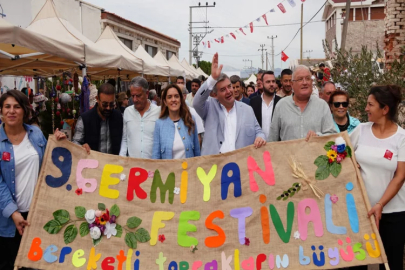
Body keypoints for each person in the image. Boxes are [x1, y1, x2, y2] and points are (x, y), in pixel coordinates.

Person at [0, 90, 66, 270]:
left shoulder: (35, 134)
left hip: (36, 213)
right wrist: (13, 213)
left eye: (16, 107)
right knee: (10, 263)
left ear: (24, 111)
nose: (11, 111)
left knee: (36, 263)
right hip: (8, 218)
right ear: (1, 111)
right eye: (7, 107)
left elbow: (49, 164)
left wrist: (61, 144)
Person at [349, 85, 405, 270]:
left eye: (370, 105)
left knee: (391, 263)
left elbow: (400, 176)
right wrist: (350, 163)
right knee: (357, 263)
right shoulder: (361, 130)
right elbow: (338, 151)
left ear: (385, 109)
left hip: (393, 214)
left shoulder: (401, 138)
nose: (366, 109)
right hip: (361, 212)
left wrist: (380, 204)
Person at [193, 53, 266, 156]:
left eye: (229, 86)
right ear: (215, 94)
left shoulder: (247, 109)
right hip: (215, 167)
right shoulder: (209, 108)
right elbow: (196, 102)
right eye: (223, 89)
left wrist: (260, 137)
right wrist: (212, 79)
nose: (228, 91)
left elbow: (259, 131)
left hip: (241, 165)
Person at [269, 65, 336, 142]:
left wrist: (318, 136)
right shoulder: (281, 106)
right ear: (292, 84)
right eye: (300, 79)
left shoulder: (322, 106)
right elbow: (272, 139)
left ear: (311, 82)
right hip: (289, 154)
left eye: (308, 79)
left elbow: (332, 135)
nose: (305, 83)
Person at [152, 84, 200, 159]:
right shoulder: (159, 124)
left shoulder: (190, 120)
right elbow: (156, 155)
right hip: (168, 170)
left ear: (181, 100)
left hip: (189, 170)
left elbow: (197, 152)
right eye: (169, 97)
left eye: (176, 96)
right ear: (165, 102)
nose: (173, 100)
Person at [73, 83, 123, 155]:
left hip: (114, 164)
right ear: (97, 99)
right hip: (92, 164)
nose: (108, 108)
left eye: (111, 104)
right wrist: (82, 147)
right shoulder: (85, 119)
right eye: (105, 104)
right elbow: (75, 142)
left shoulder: (119, 117)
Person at [120, 76, 160, 158]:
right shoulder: (127, 112)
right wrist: (121, 159)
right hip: (133, 167)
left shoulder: (158, 112)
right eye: (132, 96)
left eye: (138, 96)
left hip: (153, 166)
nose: (134, 100)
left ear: (147, 94)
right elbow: (125, 139)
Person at [250, 71, 281, 140]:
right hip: (258, 145)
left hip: (276, 146)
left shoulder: (281, 102)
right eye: (268, 82)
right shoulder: (253, 102)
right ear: (262, 83)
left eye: (273, 81)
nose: (271, 84)